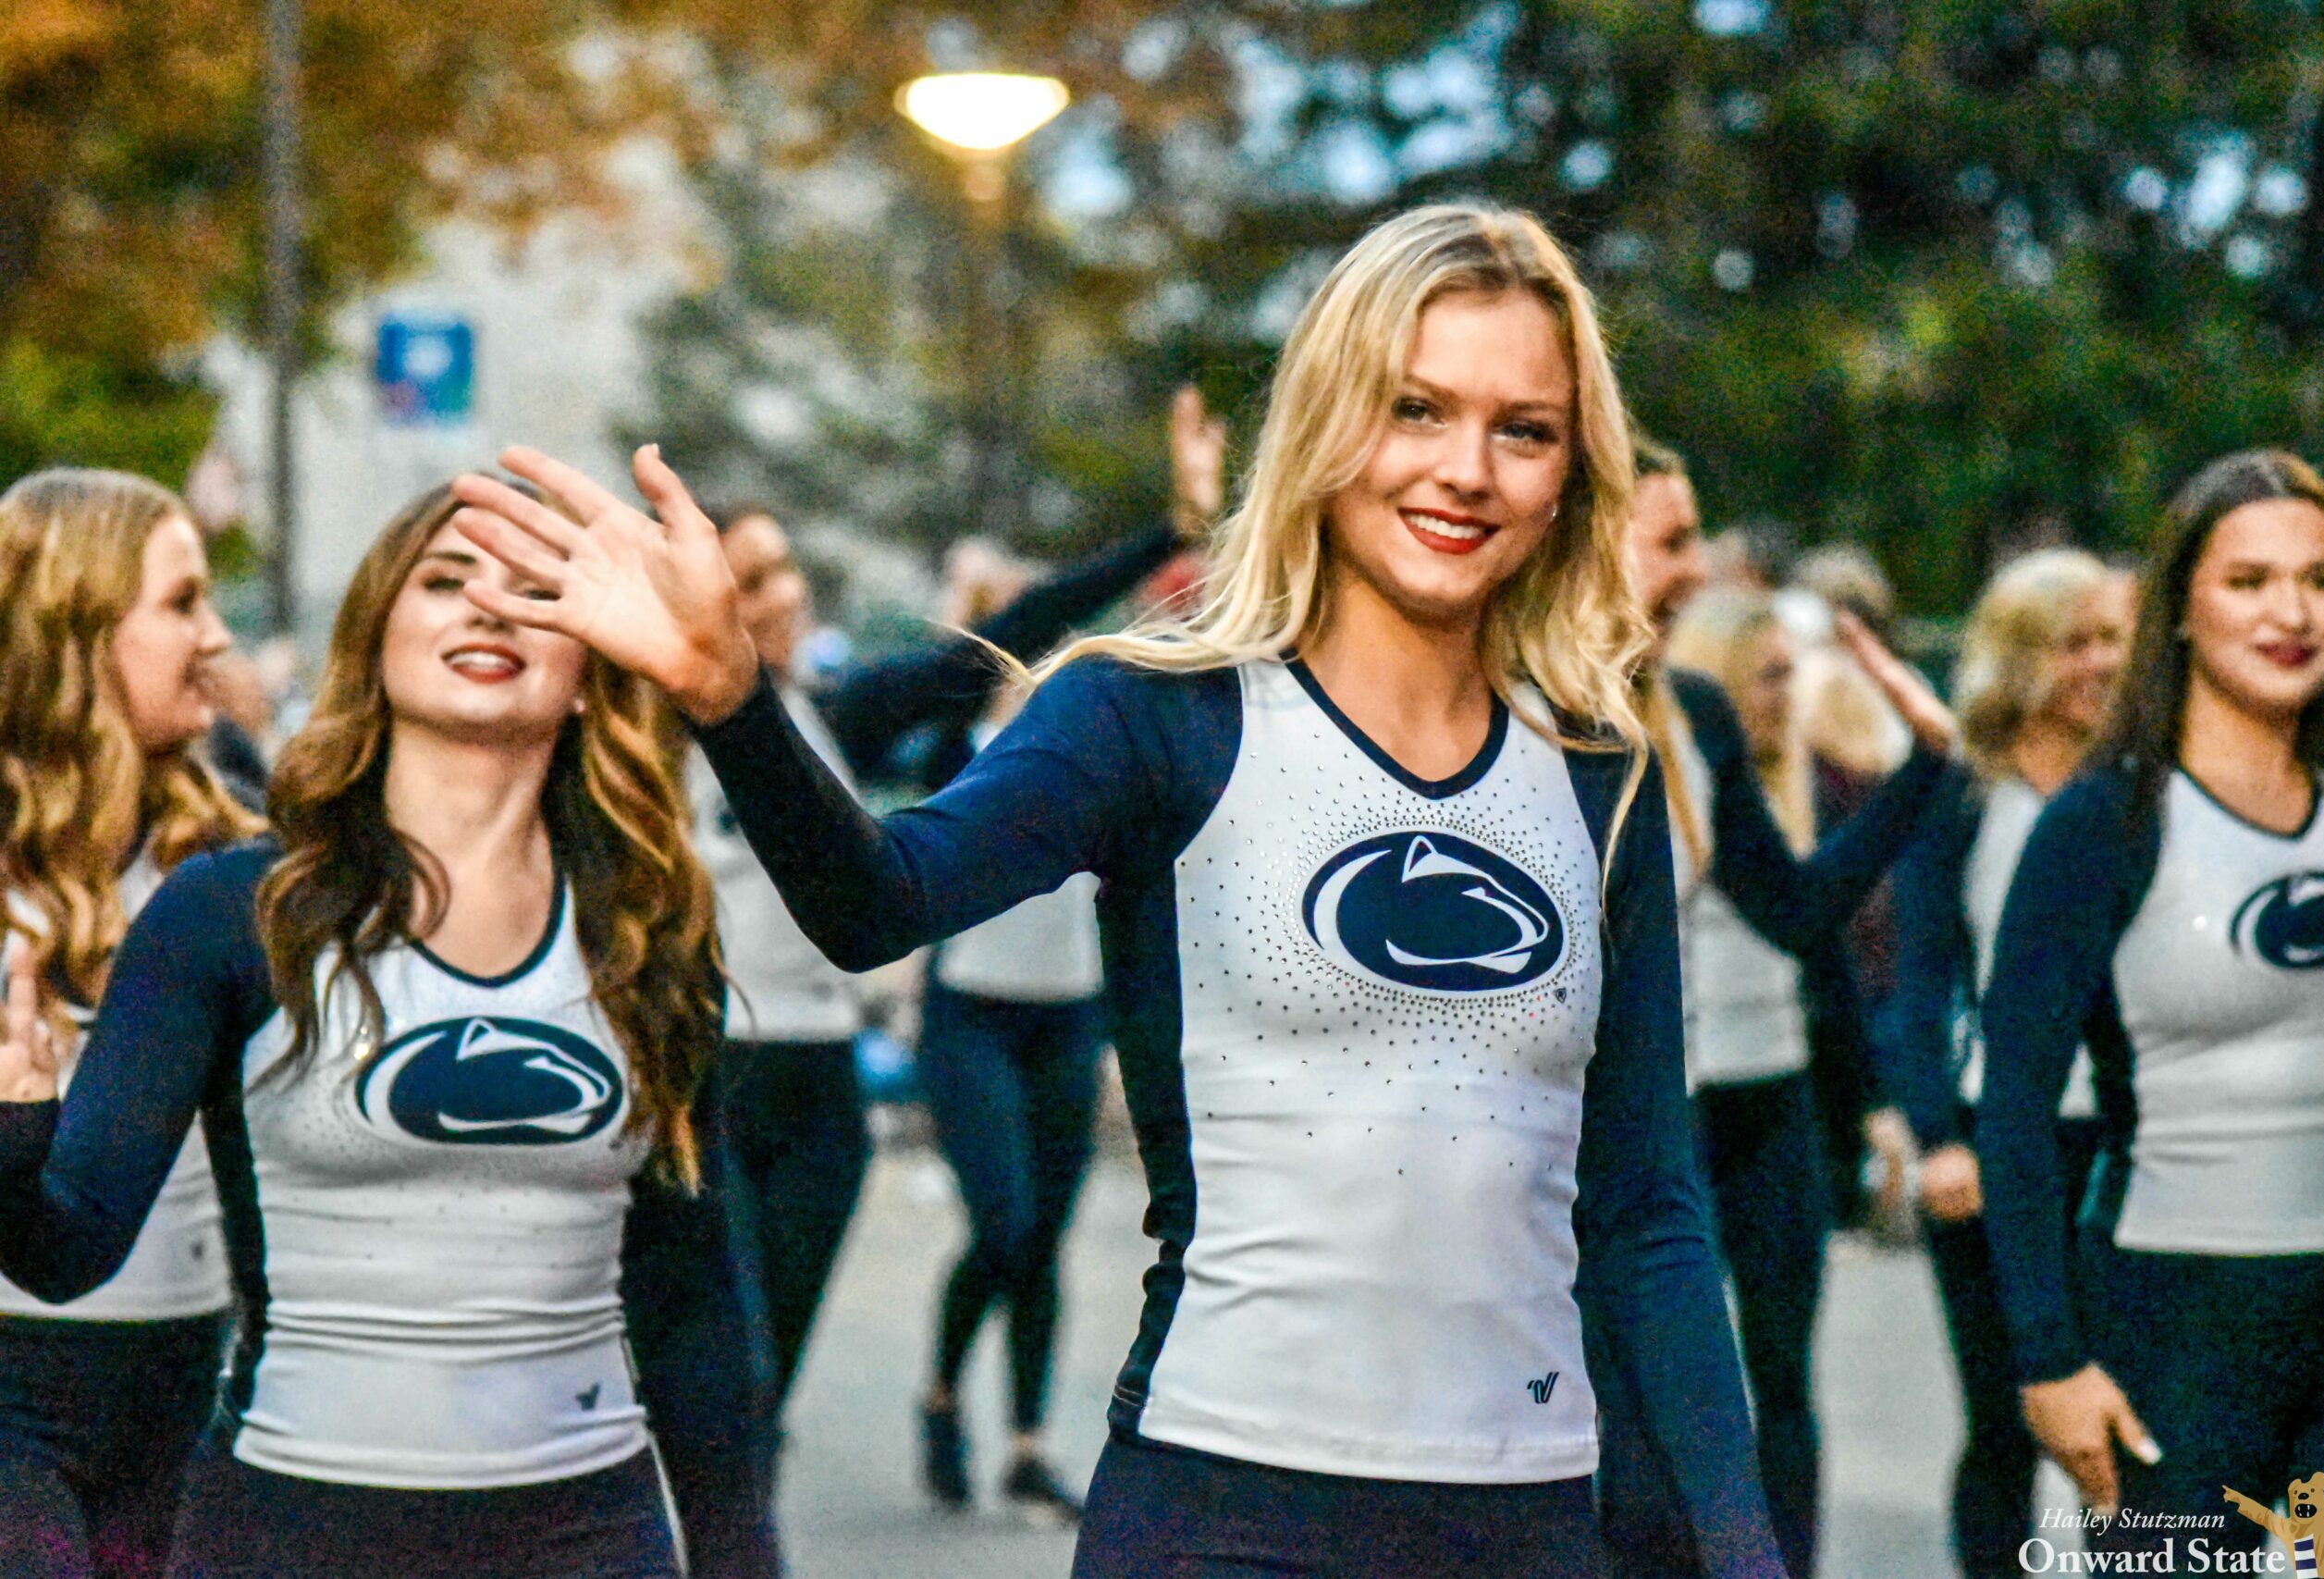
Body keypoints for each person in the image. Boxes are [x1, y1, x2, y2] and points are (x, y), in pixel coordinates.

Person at [452, 202, 1785, 1577]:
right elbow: (876, 898)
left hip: (1529, 1518)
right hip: (1223, 1511)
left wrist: (1740, 1547)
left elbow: (1648, 1209)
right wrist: (733, 700)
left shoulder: (1597, 770)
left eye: (1524, 428)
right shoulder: (1155, 715)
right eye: (1416, 409)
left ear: (1572, 469)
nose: (1466, 470)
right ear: (1327, 421)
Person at [0, 481, 771, 1577]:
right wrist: (14, 1131)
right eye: (447, 581)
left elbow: (693, 1301)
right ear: (374, 639)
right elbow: (66, 1254)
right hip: (291, 1528)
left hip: (588, 1532)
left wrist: (746, 1556)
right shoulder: (233, 912)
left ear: (595, 673)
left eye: (537, 592)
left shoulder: (649, 928)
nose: (488, 611)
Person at [687, 393, 1216, 1517]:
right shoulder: (641, 734)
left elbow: (1015, 629)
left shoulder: (844, 712)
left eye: (783, 570)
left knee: (767, 1372)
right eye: (749, 577)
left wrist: (1169, 532)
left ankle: (744, 1535)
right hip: (704, 1072)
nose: (780, 595)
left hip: (820, 1077)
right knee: (710, 1371)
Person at [1979, 450, 2324, 1556]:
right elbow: (2011, 1106)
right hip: (2173, 1331)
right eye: (2248, 581)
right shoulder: (2104, 822)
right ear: (2182, 610)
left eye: (2321, 578)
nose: (2290, 612)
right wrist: (2047, 1359)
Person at [1618, 438, 1956, 1579]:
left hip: (1751, 1108)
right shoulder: (1508, 712)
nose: (1696, 571)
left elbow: (1798, 914)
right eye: (1670, 545)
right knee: (1641, 1435)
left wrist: (1923, 765)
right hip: (1605, 1145)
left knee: (1767, 1389)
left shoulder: (1691, 715)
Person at [911, 387, 1226, 1523]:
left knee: (1040, 1237)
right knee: (998, 1223)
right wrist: (962, 608)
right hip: (972, 1014)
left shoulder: (1102, 716)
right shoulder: (963, 728)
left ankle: (1030, 1442)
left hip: (1069, 1012)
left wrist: (1193, 526)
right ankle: (945, 1393)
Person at [0, 470, 259, 1579]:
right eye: (183, 601)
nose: (216, 636)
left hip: (195, 1378)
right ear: (81, 625)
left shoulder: (237, 848)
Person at [1879, 548, 2129, 1578]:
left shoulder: (2146, 784)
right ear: (2022, 658)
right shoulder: (1964, 793)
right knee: (2005, 1416)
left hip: (2123, 1134)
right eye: (2078, 643)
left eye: (2117, 640)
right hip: (1997, 1137)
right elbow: (1918, 979)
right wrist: (1937, 1135)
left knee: (2128, 1414)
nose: (2105, 664)